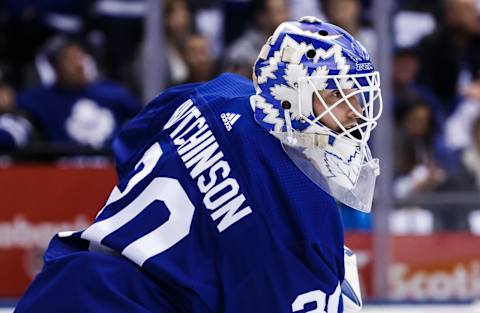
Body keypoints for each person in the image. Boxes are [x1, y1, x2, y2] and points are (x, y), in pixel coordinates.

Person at [15, 17, 382, 312]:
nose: (354, 115)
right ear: (292, 89)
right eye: (336, 95)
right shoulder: (302, 202)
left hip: (65, 282)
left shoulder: (219, 92)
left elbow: (132, 143)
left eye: (359, 98)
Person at [16, 36, 141, 150]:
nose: (79, 64)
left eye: (80, 56)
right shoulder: (40, 99)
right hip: (65, 171)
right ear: (54, 67)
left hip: (112, 168)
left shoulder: (114, 94)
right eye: (69, 58)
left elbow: (144, 122)